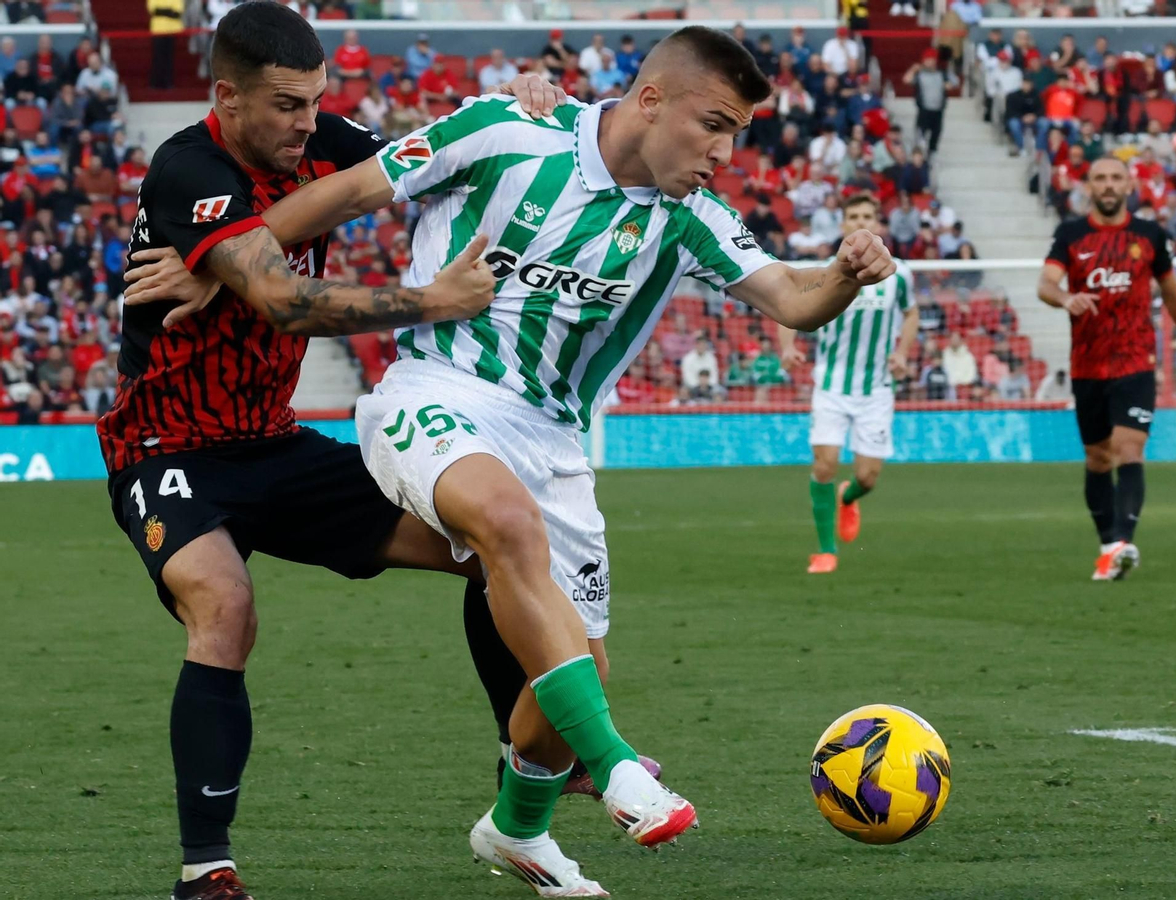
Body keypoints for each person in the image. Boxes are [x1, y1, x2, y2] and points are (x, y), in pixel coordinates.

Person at [249, 23, 895, 893]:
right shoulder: (504, 131)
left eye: (736, 134)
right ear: (651, 99)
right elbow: (344, 195)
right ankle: (619, 766)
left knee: (570, 679)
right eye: (712, 124)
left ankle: (517, 830)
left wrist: (847, 272)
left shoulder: (690, 219)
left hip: (555, 442)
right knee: (507, 525)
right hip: (436, 390)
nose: (723, 152)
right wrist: (221, 261)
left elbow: (792, 297)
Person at [102, 6, 562, 899]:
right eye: (286, 105)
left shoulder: (322, 141)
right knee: (225, 607)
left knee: (487, 546)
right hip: (166, 447)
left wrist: (520, 104)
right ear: (227, 98)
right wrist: (432, 300)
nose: (307, 123)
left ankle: (530, 754)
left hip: (274, 440)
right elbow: (281, 303)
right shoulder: (187, 167)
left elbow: (445, 158)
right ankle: (206, 870)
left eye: (316, 101)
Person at [1036, 157, 1176, 582]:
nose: (1108, 185)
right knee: (1097, 457)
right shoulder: (1070, 235)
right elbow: (1046, 284)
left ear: (1129, 185)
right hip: (1087, 365)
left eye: (1115, 178)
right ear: (1088, 187)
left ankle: (1123, 543)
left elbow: (1172, 293)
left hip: (1135, 360)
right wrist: (1065, 298)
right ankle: (1109, 547)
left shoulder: (1149, 235)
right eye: (1100, 179)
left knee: (1129, 448)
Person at [777, 194, 918, 574]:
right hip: (831, 385)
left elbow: (911, 313)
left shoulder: (899, 275)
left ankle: (849, 497)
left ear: (878, 224)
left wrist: (902, 352)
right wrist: (788, 348)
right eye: (853, 216)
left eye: (867, 216)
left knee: (867, 478)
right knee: (825, 466)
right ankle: (826, 550)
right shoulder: (825, 273)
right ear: (843, 225)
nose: (860, 222)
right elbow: (785, 307)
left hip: (876, 389)